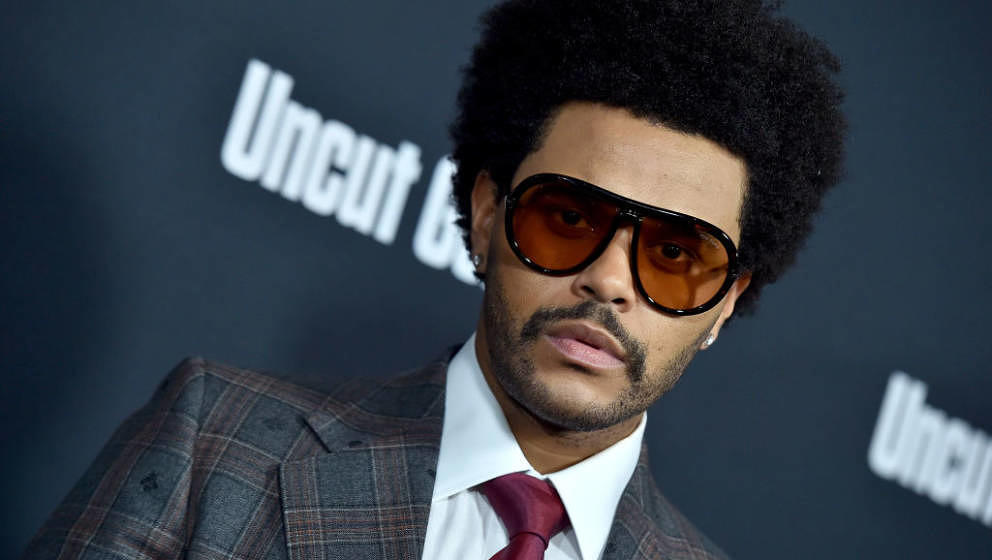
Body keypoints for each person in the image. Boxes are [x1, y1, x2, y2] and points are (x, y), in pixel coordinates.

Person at [22, 0, 845, 558]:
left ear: (725, 304)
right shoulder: (213, 442)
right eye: (568, 217)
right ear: (487, 214)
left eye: (673, 255)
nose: (607, 280)